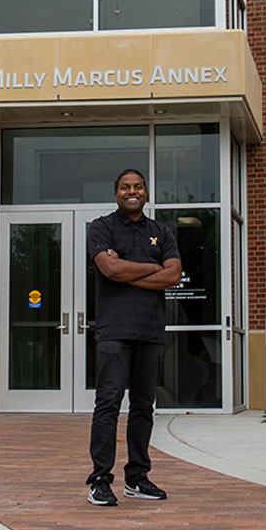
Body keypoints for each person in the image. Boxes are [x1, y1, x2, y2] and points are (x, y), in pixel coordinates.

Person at [86, 168, 182, 506]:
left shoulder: (161, 231)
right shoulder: (102, 227)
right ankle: (100, 479)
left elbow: (174, 275)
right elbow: (109, 269)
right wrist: (152, 267)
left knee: (144, 406)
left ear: (146, 192)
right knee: (108, 404)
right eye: (126, 187)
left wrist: (127, 269)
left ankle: (137, 477)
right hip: (115, 331)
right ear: (116, 193)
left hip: (150, 331)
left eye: (138, 186)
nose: (132, 191)